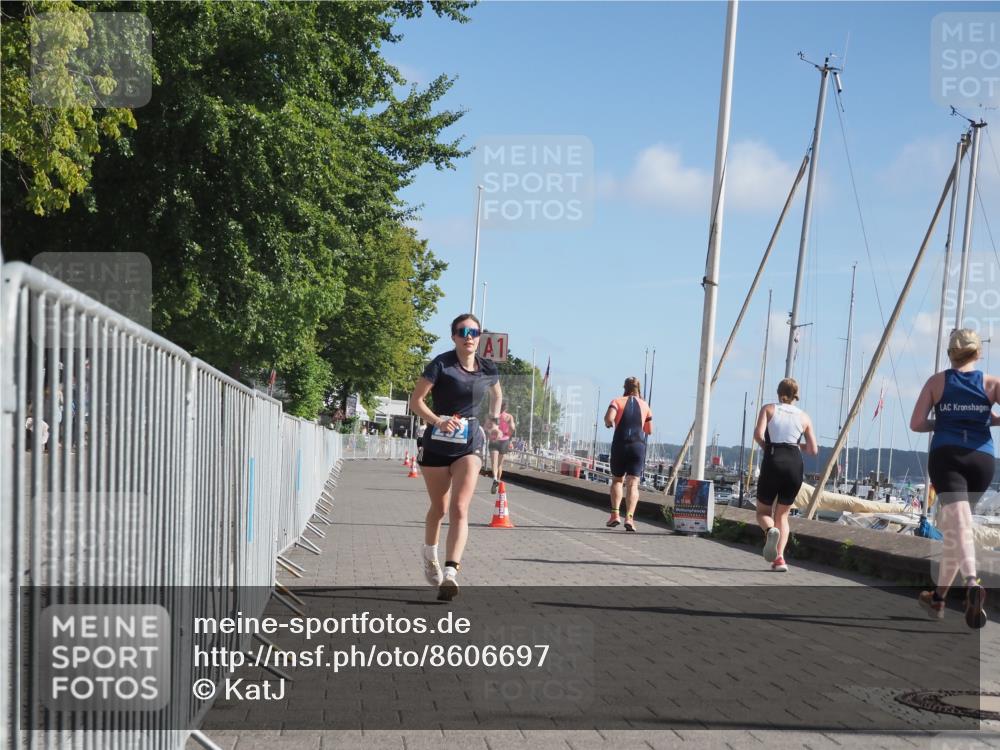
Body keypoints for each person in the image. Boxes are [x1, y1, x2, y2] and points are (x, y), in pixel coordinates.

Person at [409, 314, 501, 601]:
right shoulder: (441, 364)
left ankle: (450, 573)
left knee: (460, 508)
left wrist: (493, 419)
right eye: (463, 331)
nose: (469, 336)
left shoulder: (487, 368)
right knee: (439, 509)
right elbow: (416, 401)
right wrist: (437, 421)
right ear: (454, 336)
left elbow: (497, 396)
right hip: (436, 445)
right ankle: (429, 555)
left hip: (468, 445)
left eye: (474, 331)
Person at [910, 328, 999, 628]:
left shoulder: (937, 382)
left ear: (951, 353)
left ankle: (972, 582)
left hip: (948, 456)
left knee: (959, 525)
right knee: (956, 531)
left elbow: (917, 423)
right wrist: (988, 417)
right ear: (977, 353)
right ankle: (937, 599)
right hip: (982, 459)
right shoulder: (991, 383)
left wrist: (942, 420)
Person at [753, 378, 819, 572]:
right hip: (795, 464)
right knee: (783, 515)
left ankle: (769, 530)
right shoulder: (804, 417)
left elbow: (758, 434)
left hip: (774, 459)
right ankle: (780, 559)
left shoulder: (769, 409)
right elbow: (813, 449)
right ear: (795, 395)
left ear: (778, 392)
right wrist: (795, 445)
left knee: (763, 512)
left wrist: (768, 448)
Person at [603, 377, 653, 532]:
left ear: (624, 387)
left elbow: (609, 418)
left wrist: (609, 423)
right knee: (633, 483)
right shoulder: (645, 405)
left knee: (618, 480)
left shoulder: (617, 401)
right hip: (637, 447)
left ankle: (615, 515)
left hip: (620, 444)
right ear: (639, 389)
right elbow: (648, 430)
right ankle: (630, 518)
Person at [488, 402, 515, 494]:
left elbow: (489, 427)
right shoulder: (509, 417)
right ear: (505, 408)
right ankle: (498, 481)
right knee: (499, 464)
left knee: (494, 464)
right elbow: (512, 428)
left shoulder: (493, 415)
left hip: (494, 440)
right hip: (504, 441)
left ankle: (495, 478)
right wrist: (508, 434)